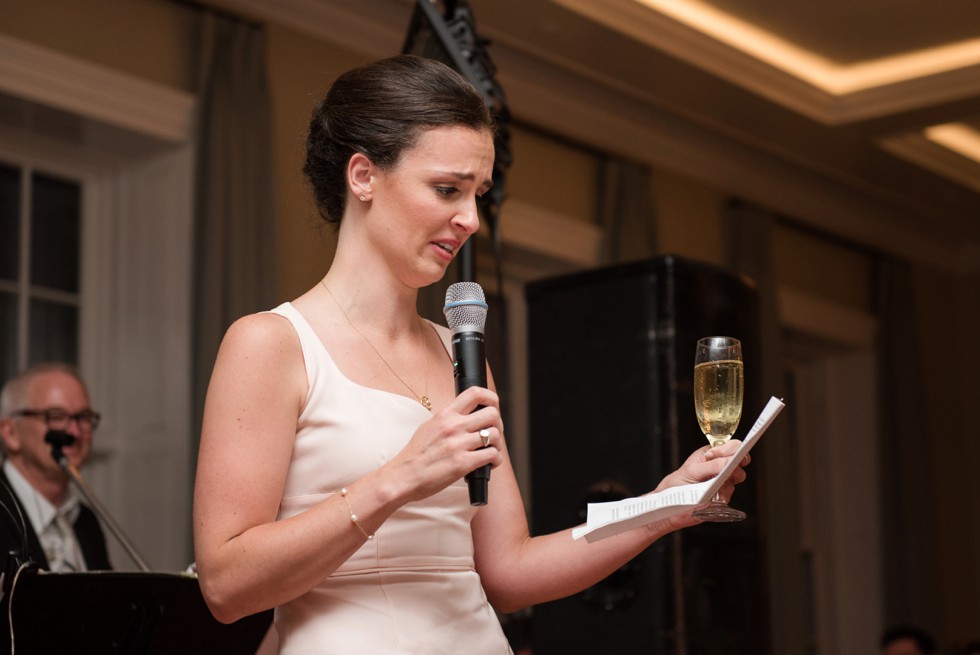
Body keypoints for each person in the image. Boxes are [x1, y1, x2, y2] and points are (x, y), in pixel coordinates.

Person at [192, 54, 750, 654]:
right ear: (363, 177)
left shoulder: (459, 353)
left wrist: (664, 505)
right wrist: (399, 478)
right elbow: (226, 586)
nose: (470, 220)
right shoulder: (270, 343)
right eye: (446, 189)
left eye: (478, 194)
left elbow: (509, 573)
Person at [0, 362, 111, 572]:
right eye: (56, 417)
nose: (75, 432)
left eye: (84, 418)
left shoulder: (86, 521)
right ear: (10, 432)